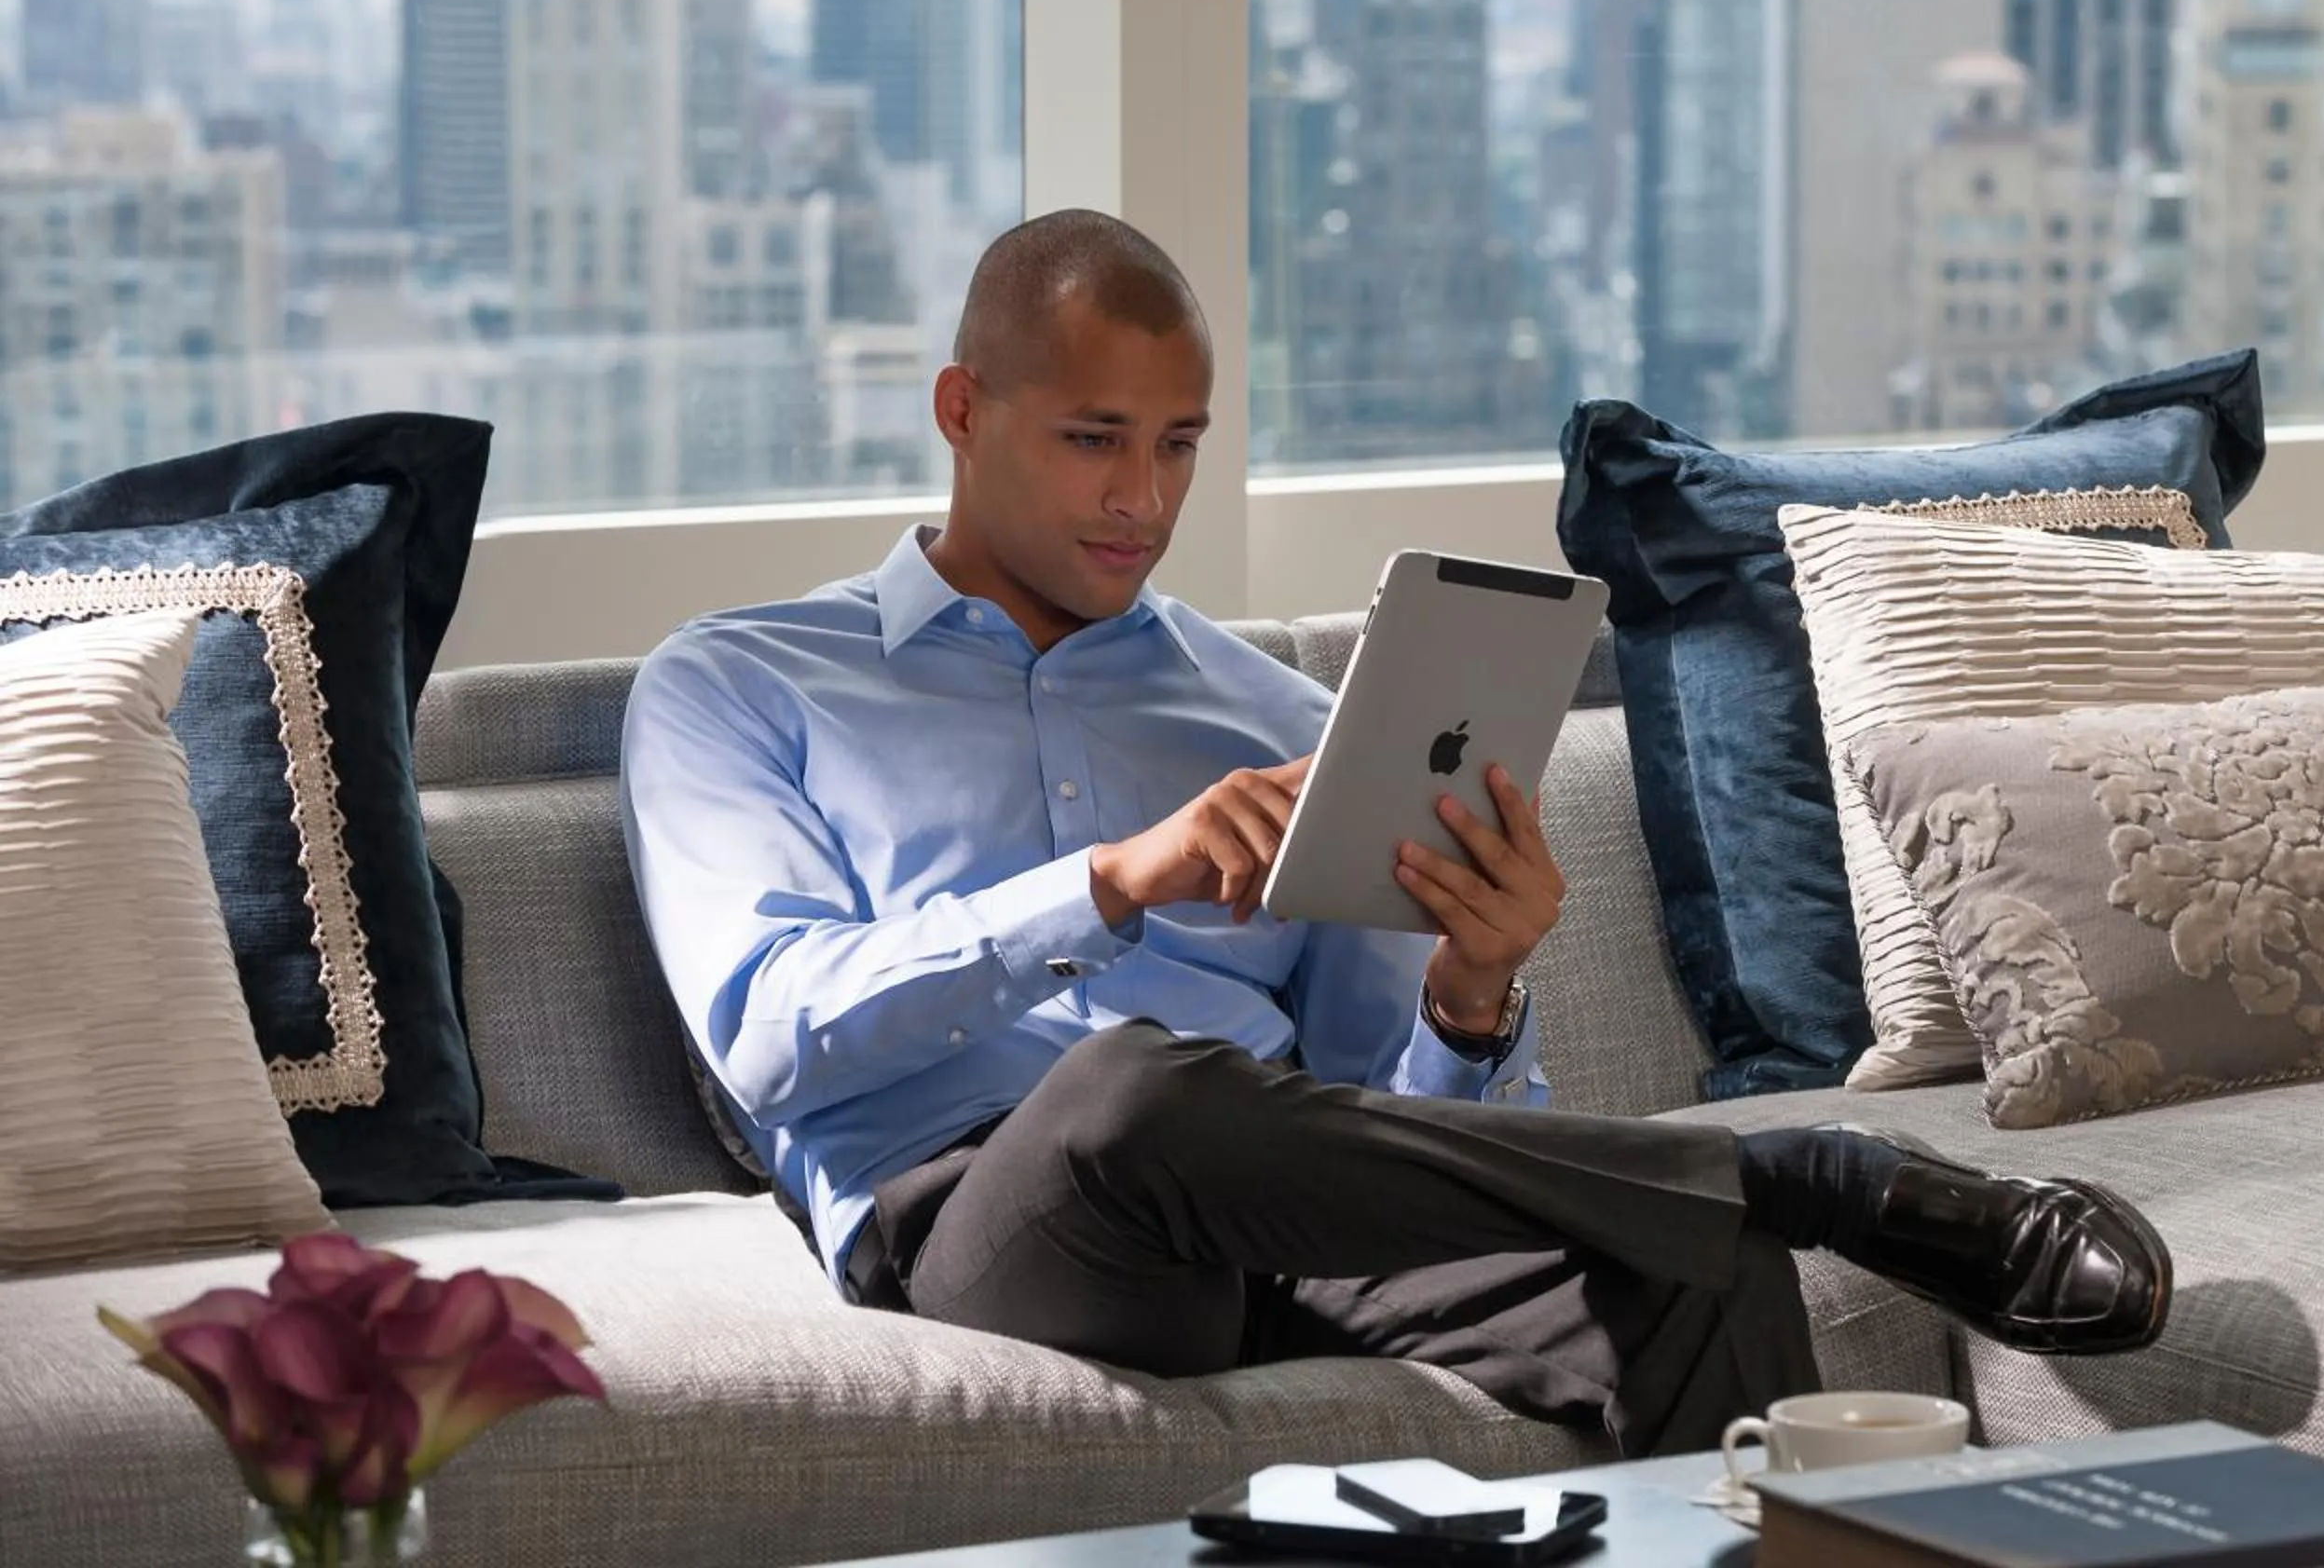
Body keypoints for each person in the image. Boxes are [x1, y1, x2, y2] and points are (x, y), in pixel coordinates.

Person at [620, 208, 2170, 1458]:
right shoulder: (742, 681)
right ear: (963, 410)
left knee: (1694, 1274)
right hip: (985, 1220)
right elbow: (772, 1038)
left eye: (1179, 443)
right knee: (1127, 1093)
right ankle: (1808, 1176)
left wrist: (1471, 993)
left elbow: (1380, 1109)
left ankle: (1758, 1214)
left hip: (1287, 1214)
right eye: (1094, 438)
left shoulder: (1275, 710)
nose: (1141, 501)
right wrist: (1109, 885)